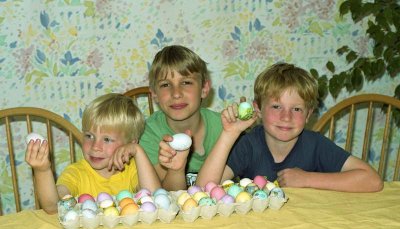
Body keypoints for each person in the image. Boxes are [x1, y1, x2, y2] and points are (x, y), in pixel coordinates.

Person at [196, 63, 383, 192]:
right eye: (276, 107)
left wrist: (307, 179)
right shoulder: (248, 144)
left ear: (308, 114)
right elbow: (203, 189)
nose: (286, 117)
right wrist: (229, 134)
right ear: (258, 108)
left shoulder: (315, 144)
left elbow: (372, 180)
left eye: (297, 109)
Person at [25, 93, 161, 214]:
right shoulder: (76, 173)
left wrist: (137, 150)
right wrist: (42, 170)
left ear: (130, 143)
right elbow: (53, 207)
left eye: (107, 139)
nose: (95, 147)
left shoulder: (133, 170)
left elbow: (156, 198)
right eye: (89, 136)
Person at [138, 45, 222, 191]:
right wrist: (176, 170)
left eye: (186, 82)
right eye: (165, 85)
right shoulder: (148, 134)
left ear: (204, 89)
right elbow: (167, 197)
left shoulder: (223, 127)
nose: (176, 93)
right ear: (154, 94)